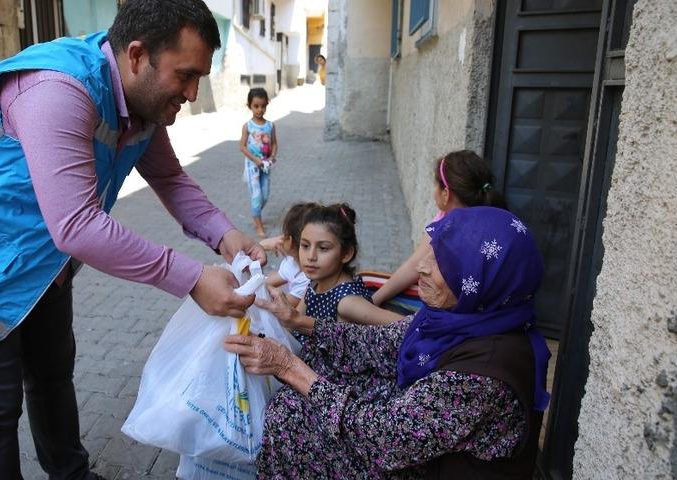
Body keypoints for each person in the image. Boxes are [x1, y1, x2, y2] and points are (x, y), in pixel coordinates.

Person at [0, 1, 265, 479]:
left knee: (52, 374)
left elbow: (170, 180)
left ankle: (71, 474)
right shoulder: (57, 90)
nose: (191, 93)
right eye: (185, 75)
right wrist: (191, 279)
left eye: (200, 78)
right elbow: (79, 225)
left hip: (39, 262)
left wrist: (228, 238)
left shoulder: (141, 105)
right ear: (137, 55)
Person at [225, 207, 551, 478]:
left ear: (482, 282)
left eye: (443, 263)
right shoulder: (456, 319)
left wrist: (289, 367)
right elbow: (376, 342)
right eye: (431, 252)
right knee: (296, 399)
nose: (421, 267)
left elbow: (385, 438)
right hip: (414, 439)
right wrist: (297, 321)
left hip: (419, 458)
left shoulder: (481, 378)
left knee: (294, 416)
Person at [372, 150, 508, 307]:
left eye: (436, 184)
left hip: (448, 309)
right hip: (487, 308)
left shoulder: (446, 226)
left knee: (364, 285)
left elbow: (413, 267)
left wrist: (375, 299)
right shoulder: (495, 218)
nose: (434, 190)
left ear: (446, 193)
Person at [286, 203, 404, 349]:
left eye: (323, 248)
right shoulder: (316, 282)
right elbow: (295, 322)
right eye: (305, 246)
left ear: (346, 254)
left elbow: (407, 327)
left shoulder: (347, 302)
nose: (311, 256)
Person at [259, 202, 318, 308]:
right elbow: (266, 282)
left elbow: (281, 308)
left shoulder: (307, 281)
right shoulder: (292, 263)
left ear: (289, 240)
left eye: (283, 233)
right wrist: (262, 246)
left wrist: (261, 245)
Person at [239, 87, 278, 238]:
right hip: (252, 167)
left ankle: (255, 213)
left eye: (262, 106)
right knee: (256, 196)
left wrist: (272, 156)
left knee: (265, 195)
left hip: (266, 166)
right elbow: (242, 146)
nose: (259, 109)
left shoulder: (270, 126)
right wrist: (255, 160)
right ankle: (258, 224)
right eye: (256, 106)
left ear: (267, 105)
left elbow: (274, 143)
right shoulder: (247, 126)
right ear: (249, 106)